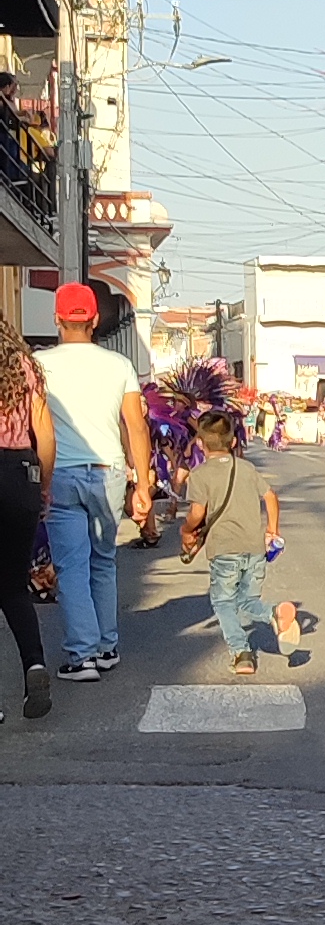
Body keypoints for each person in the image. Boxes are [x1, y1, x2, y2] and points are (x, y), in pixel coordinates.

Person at [38, 277, 154, 679]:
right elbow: (136, 426)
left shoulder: (40, 365)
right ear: (95, 319)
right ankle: (107, 646)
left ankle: (82, 655)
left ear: (57, 319)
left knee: (71, 566)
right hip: (109, 473)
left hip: (62, 474)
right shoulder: (119, 365)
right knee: (103, 561)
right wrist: (143, 484)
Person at [180, 411, 280, 672]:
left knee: (224, 602)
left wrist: (186, 529)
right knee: (247, 600)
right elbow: (270, 497)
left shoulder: (199, 475)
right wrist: (272, 530)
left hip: (224, 549)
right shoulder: (246, 468)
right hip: (255, 548)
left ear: (200, 443)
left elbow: (197, 513)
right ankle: (275, 613)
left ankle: (241, 652)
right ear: (234, 442)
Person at [0, 309, 57, 720]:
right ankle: (34, 666)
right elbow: (46, 436)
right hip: (20, 473)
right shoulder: (26, 367)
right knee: (14, 587)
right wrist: (43, 487)